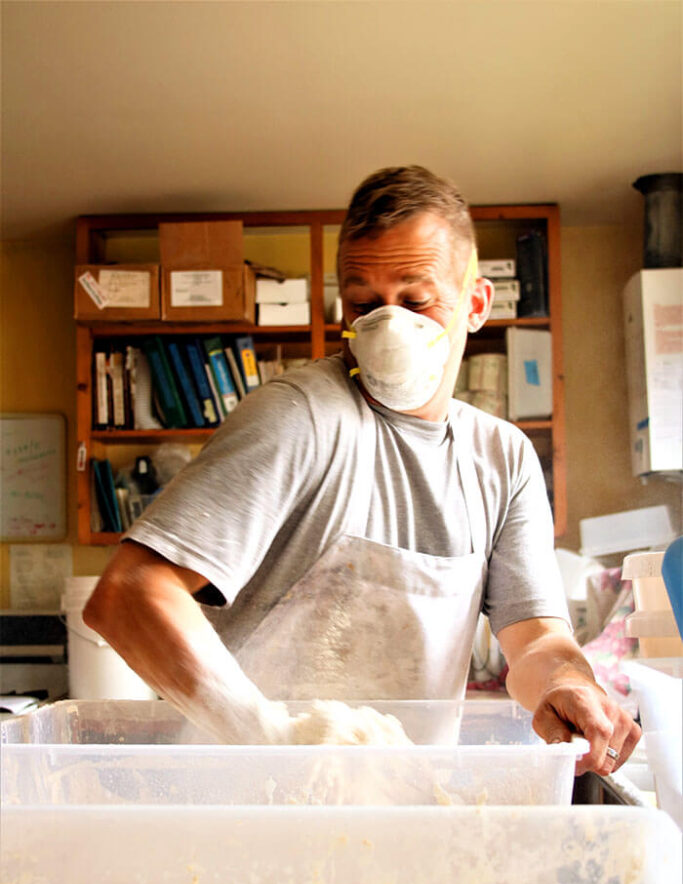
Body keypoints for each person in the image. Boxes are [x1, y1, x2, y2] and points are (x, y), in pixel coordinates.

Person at [84, 164, 640, 772]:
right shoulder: (302, 416)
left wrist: (567, 683)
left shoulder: (502, 460)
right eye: (365, 303)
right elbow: (128, 596)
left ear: (476, 303)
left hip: (402, 805)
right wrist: (276, 747)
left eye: (416, 300)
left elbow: (535, 640)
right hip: (245, 799)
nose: (389, 326)